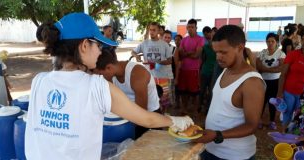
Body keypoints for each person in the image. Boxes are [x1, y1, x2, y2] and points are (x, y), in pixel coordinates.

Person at [25, 13, 194, 160]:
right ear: (84, 45)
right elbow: (145, 118)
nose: (100, 51)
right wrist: (175, 121)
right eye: (97, 45)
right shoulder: (96, 86)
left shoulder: (39, 81)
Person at [194, 25, 265, 160]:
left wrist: (217, 135)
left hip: (234, 155)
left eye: (223, 52)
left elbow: (252, 125)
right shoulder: (226, 69)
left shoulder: (251, 82)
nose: (218, 57)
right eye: (216, 52)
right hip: (210, 148)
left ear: (239, 48)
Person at [95, 48, 161, 139]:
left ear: (109, 67)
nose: (100, 77)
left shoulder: (137, 74)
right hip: (130, 116)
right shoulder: (111, 76)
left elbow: (142, 112)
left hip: (150, 117)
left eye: (100, 74)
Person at [131, 22, 173, 113]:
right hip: (148, 77)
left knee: (164, 99)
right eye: (150, 30)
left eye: (154, 30)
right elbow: (133, 52)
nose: (151, 32)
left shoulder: (164, 44)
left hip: (163, 76)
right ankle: (152, 117)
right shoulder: (144, 43)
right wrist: (137, 56)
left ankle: (163, 116)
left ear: (158, 31)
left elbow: (170, 60)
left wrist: (158, 62)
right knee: (150, 98)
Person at [277, 26, 304, 133]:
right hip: (289, 90)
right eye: (303, 39)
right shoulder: (293, 54)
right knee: (287, 113)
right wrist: (280, 93)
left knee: (301, 117)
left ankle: (296, 139)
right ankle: (284, 136)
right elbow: (283, 74)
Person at [256, 33, 286, 130]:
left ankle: (272, 121)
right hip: (263, 81)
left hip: (275, 81)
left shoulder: (281, 54)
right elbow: (258, 66)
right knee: (261, 101)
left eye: (272, 41)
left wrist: (265, 69)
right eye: (268, 41)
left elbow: (281, 68)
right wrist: (272, 69)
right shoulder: (262, 52)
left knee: (272, 102)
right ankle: (259, 120)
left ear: (277, 42)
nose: (270, 43)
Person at [177, 19, 205, 113]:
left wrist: (186, 53)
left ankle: (194, 111)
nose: (190, 29)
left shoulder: (200, 39)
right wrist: (190, 53)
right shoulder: (184, 39)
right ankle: (184, 109)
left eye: (192, 27)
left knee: (194, 93)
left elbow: (197, 55)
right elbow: (180, 53)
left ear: (196, 28)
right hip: (183, 70)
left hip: (194, 70)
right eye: (188, 27)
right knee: (183, 92)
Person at [199, 26, 216, 114]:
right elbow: (202, 60)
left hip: (213, 72)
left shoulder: (218, 48)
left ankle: (207, 108)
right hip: (206, 71)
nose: (208, 37)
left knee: (210, 91)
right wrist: (200, 70)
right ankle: (200, 106)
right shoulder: (205, 47)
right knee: (202, 90)